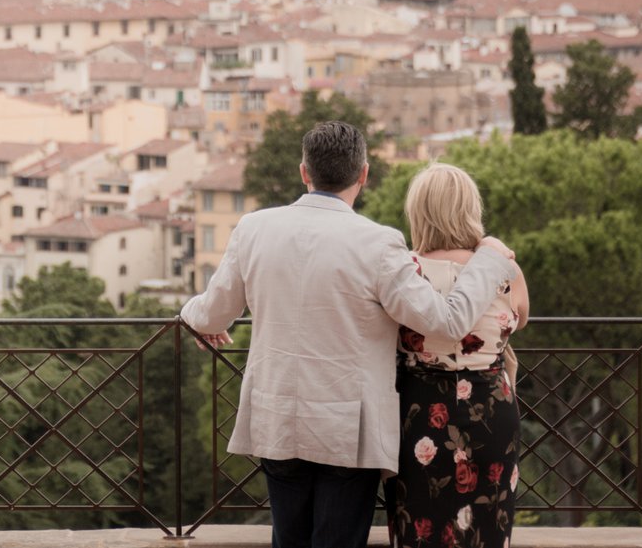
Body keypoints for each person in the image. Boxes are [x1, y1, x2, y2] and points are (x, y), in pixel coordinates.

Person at [180, 122, 516, 548]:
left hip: (276, 417)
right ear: (364, 174)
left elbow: (211, 314)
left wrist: (189, 317)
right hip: (346, 431)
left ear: (304, 172)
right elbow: (447, 323)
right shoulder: (378, 244)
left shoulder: (254, 228)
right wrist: (488, 259)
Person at [385, 162, 528, 548]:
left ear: (419, 212)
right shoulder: (504, 268)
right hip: (492, 409)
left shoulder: (404, 271)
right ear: (470, 209)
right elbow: (521, 319)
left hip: (418, 410)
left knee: (418, 527)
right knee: (488, 529)